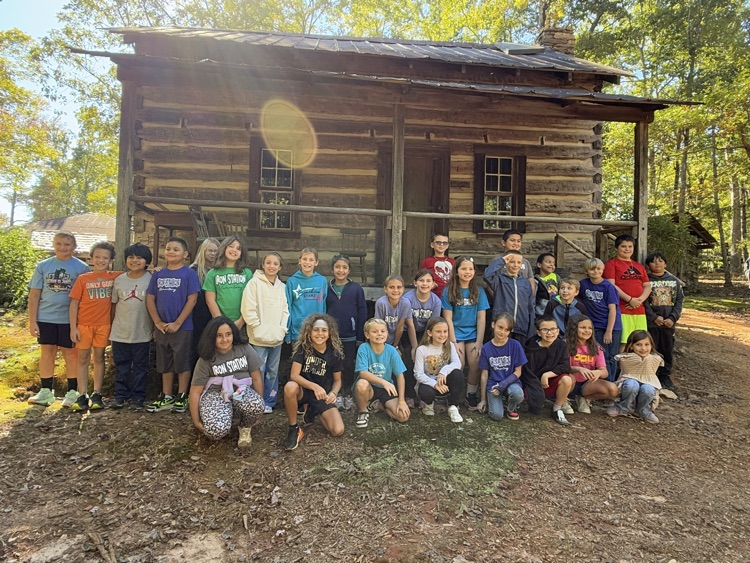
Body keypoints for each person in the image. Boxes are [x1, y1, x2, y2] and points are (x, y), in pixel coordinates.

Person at [27, 232, 90, 407]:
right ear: (54, 245)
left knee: (70, 353)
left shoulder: (82, 268)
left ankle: (72, 391)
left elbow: (85, 297)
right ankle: (46, 391)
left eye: (67, 244)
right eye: (59, 244)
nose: (63, 248)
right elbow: (34, 295)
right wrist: (32, 321)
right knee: (47, 351)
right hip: (45, 316)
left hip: (69, 318)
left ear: (74, 247)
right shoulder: (43, 266)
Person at [188, 316, 265, 448]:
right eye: (219, 336)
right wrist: (196, 421)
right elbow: (195, 392)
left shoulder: (244, 349)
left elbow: (257, 377)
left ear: (233, 334)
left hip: (240, 390)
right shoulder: (206, 358)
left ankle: (244, 427)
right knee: (215, 431)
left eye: (228, 334)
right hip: (215, 394)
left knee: (256, 405)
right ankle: (225, 419)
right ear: (212, 337)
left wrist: (260, 406)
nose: (225, 340)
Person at [146, 237, 201, 413]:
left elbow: (192, 300)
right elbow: (150, 298)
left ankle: (182, 395)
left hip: (182, 327)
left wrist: (178, 322)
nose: (171, 252)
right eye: (168, 248)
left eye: (176, 249)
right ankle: (166, 395)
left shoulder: (189, 274)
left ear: (185, 254)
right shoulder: (158, 274)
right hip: (161, 327)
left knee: (182, 362)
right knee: (164, 363)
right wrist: (157, 322)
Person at [68, 241, 121, 412]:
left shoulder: (115, 277)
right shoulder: (83, 279)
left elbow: (137, 273)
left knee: (99, 358)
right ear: (91, 258)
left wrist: (156, 270)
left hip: (103, 325)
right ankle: (82, 394)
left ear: (111, 260)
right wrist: (73, 327)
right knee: (82, 359)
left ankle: (97, 393)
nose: (101, 260)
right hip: (83, 325)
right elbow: (74, 304)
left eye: (105, 258)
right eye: (97, 257)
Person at [282, 314, 345, 450]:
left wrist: (333, 393)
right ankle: (294, 428)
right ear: (309, 331)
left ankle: (313, 410)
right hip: (303, 391)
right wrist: (314, 386)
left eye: (324, 330)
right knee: (290, 387)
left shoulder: (334, 353)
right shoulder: (303, 348)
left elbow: (338, 381)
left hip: (321, 396)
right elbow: (294, 375)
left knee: (337, 430)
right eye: (316, 330)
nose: (320, 334)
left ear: (329, 333)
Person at [241, 252, 289, 413]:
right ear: (263, 265)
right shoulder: (254, 283)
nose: (271, 266)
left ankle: (269, 401)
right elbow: (248, 308)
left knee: (272, 371)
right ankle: (257, 400)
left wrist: (282, 329)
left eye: (275, 264)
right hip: (258, 338)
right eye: (268, 263)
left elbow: (285, 311)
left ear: (280, 267)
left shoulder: (282, 287)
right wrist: (256, 327)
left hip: (276, 338)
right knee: (258, 370)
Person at [441, 256, 490, 409]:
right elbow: (447, 318)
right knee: (459, 364)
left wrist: (479, 341)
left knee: (475, 362)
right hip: (455, 333)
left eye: (470, 269)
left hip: (473, 333)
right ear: (456, 271)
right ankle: (455, 395)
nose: (467, 272)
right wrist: (453, 342)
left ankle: (470, 394)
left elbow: (481, 318)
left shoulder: (479, 291)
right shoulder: (449, 291)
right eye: (463, 268)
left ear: (474, 271)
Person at [110, 243, 154, 410]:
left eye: (139, 257)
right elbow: (114, 305)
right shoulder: (119, 280)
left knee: (141, 367)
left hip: (142, 332)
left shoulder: (151, 279)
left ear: (147, 261)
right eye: (131, 257)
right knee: (121, 366)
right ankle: (120, 395)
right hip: (120, 332)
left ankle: (138, 397)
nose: (135, 260)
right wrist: (111, 326)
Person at [325, 254, 367, 410]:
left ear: (349, 270)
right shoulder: (327, 288)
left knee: (348, 365)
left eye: (344, 267)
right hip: (331, 336)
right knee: (333, 365)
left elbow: (362, 311)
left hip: (350, 335)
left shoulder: (356, 289)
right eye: (337, 267)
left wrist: (360, 336)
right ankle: (336, 394)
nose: (340, 270)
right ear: (332, 269)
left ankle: (348, 393)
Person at [353, 318, 411, 428]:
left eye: (382, 331)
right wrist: (384, 382)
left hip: (386, 389)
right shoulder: (364, 348)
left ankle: (378, 405)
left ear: (387, 333)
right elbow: (363, 373)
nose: (379, 334)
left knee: (403, 417)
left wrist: (402, 401)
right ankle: (363, 411)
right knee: (361, 384)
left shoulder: (391, 350)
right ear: (367, 334)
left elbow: (400, 375)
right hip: (369, 387)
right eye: (374, 332)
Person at [520, 315, 572, 425]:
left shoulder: (561, 345)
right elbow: (527, 373)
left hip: (549, 383)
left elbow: (565, 366)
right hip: (532, 385)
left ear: (558, 331)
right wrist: (537, 392)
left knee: (567, 379)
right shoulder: (530, 348)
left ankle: (557, 409)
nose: (549, 333)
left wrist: (548, 375)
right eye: (545, 330)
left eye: (553, 329)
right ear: (538, 332)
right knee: (532, 404)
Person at [604, 234, 651, 351]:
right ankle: (622, 369)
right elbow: (611, 285)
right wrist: (630, 299)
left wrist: (639, 300)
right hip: (622, 309)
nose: (627, 249)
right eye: (623, 246)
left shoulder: (638, 266)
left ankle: (637, 368)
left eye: (630, 246)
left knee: (641, 341)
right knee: (624, 342)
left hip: (639, 310)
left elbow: (647, 286)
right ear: (617, 248)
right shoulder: (611, 264)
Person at [644, 252, 683, 390]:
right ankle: (650, 375)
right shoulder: (646, 280)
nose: (657, 264)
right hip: (651, 323)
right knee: (651, 349)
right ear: (648, 265)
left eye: (660, 261)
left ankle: (665, 377)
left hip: (668, 323)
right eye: (653, 262)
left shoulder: (674, 281)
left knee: (667, 349)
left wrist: (672, 318)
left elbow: (679, 301)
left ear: (665, 264)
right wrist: (654, 317)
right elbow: (644, 302)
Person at [477, 313, 527, 421]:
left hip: (511, 382)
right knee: (496, 416)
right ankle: (499, 401)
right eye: (500, 327)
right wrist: (483, 399)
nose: (502, 332)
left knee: (517, 393)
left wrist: (502, 385)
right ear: (493, 325)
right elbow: (484, 375)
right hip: (494, 385)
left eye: (506, 330)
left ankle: (510, 407)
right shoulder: (486, 348)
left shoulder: (515, 345)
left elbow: (518, 371)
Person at [413, 317, 464, 422]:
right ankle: (429, 405)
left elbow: (457, 363)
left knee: (458, 374)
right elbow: (418, 374)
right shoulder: (422, 349)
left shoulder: (449, 345)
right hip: (429, 384)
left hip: (444, 382)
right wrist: (435, 384)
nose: (442, 335)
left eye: (445, 331)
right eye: (438, 331)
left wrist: (444, 371)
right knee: (425, 391)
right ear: (429, 333)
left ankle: (453, 406)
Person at [607, 330, 664, 424]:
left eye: (647, 344)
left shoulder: (655, 358)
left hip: (648, 382)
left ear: (651, 346)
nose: (643, 348)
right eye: (638, 344)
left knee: (648, 389)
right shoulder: (625, 358)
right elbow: (628, 368)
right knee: (632, 384)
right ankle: (623, 407)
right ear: (631, 346)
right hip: (629, 381)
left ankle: (644, 410)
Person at [564, 315, 619, 413]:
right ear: (574, 328)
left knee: (613, 389)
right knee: (568, 378)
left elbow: (604, 372)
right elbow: (559, 367)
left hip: (587, 384)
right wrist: (578, 369)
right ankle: (563, 400)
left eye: (590, 328)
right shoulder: (564, 344)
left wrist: (598, 372)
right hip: (569, 380)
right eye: (582, 327)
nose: (587, 331)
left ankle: (584, 398)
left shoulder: (596, 347)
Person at [579, 258, 622, 381]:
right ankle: (600, 383)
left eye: (598, 269)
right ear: (586, 271)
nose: (595, 272)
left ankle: (611, 383)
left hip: (612, 325)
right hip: (595, 326)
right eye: (592, 269)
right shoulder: (583, 284)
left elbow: (613, 310)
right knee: (599, 354)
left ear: (603, 270)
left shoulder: (608, 286)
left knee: (611, 356)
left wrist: (609, 331)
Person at [485, 250, 535, 341]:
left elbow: (530, 307)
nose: (516, 265)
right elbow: (487, 275)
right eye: (512, 262)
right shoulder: (499, 280)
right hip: (503, 327)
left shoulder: (525, 283)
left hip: (521, 328)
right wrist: (502, 260)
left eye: (519, 262)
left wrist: (531, 331)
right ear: (506, 263)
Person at [204, 235, 252, 329]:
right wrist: (221, 322)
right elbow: (210, 300)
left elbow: (252, 300)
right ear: (224, 248)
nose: (234, 250)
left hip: (243, 323)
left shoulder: (247, 273)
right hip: (220, 323)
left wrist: (241, 321)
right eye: (231, 246)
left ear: (241, 254)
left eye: (238, 249)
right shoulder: (213, 273)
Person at [189, 238, 220, 372]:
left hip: (215, 313)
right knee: (196, 347)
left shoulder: (220, 270)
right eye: (210, 250)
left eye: (215, 251)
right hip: (198, 315)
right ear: (203, 251)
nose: (212, 254)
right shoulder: (194, 270)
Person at [285, 247, 327, 344]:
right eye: (304, 259)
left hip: (317, 331)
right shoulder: (292, 281)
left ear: (316, 262)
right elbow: (288, 307)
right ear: (299, 261)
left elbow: (324, 305)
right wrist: (288, 332)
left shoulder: (322, 281)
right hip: (298, 330)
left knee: (315, 359)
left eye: (311, 260)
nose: (307, 262)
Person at [483, 229, 536, 293]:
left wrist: (531, 297)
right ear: (503, 243)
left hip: (522, 299)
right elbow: (489, 281)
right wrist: (496, 299)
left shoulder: (525, 262)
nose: (516, 243)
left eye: (518, 241)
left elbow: (531, 280)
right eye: (512, 240)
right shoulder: (497, 260)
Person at [374, 275, 412, 348]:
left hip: (395, 339)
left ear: (403, 289)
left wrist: (395, 346)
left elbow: (400, 326)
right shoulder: (381, 303)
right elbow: (378, 326)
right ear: (385, 289)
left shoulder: (406, 303)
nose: (395, 290)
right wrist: (382, 345)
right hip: (380, 339)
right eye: (391, 287)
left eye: (399, 287)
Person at [420, 233, 455, 297]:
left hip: (451, 294)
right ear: (432, 245)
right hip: (434, 295)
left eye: (445, 243)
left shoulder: (453, 262)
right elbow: (422, 277)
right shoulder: (427, 261)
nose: (442, 245)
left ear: (447, 246)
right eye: (438, 242)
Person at [534, 253, 560, 317]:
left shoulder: (556, 277)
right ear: (539, 264)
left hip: (555, 309)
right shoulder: (535, 280)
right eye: (548, 262)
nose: (551, 265)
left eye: (553, 263)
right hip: (541, 311)